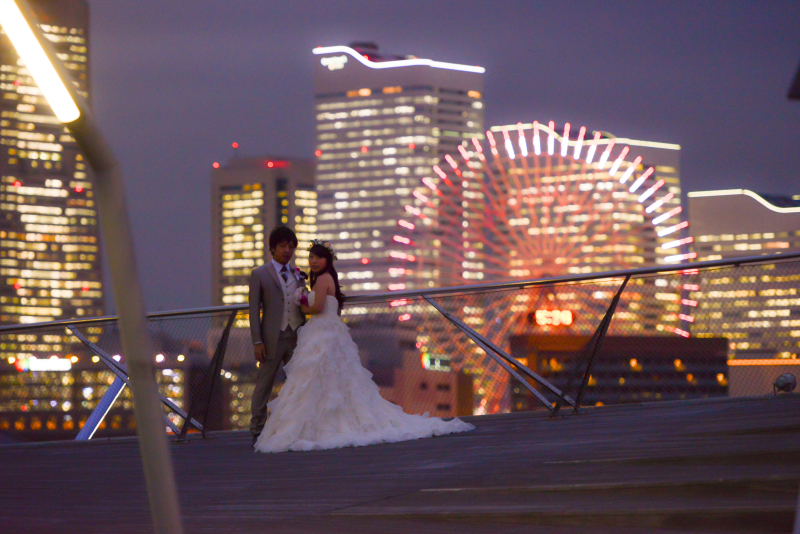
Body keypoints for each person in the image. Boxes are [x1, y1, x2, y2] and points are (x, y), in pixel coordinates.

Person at [254, 239, 474, 453]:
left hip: (322, 332)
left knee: (317, 378)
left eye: (318, 258)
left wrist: (301, 304)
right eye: (311, 257)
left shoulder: (321, 280)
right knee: (336, 377)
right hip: (329, 332)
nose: (313, 261)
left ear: (327, 260)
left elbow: (318, 306)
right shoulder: (326, 278)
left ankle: (318, 422)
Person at [248, 226, 306, 446]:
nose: (287, 250)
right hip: (272, 338)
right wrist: (257, 341)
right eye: (282, 246)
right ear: (272, 248)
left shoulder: (298, 274)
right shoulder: (259, 274)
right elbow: (253, 310)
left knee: (298, 384)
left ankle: (293, 427)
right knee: (264, 384)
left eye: (291, 246)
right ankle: (257, 430)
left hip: (297, 336)